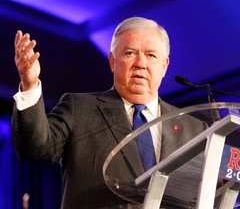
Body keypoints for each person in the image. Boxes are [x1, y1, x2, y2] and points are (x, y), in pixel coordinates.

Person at [12, 17, 206, 208]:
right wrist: (29, 85)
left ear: (164, 66)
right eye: (130, 53)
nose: (140, 63)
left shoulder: (195, 129)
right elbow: (36, 148)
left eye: (151, 55)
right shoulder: (79, 109)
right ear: (113, 61)